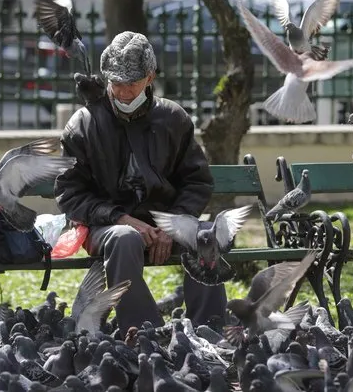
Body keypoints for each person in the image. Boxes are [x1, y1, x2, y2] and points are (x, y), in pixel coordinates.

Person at [54, 31, 227, 334]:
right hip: (106, 227)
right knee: (125, 237)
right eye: (115, 83)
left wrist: (173, 225)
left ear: (149, 78)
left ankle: (209, 330)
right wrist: (121, 218)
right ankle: (144, 333)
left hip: (165, 222)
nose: (121, 92)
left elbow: (197, 182)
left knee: (205, 236)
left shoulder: (173, 118)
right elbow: (70, 195)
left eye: (130, 83)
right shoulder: (82, 124)